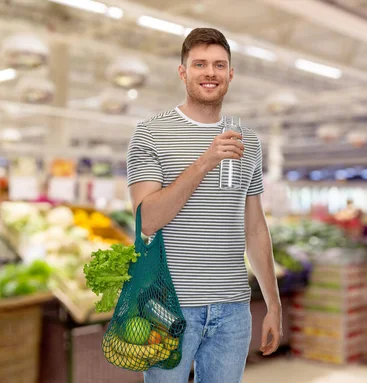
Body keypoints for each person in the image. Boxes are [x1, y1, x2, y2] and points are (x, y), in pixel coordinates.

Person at [126, 28, 282, 382]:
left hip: (233, 311)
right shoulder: (151, 133)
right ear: (183, 72)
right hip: (167, 306)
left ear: (230, 74)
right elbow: (146, 220)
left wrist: (273, 305)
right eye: (199, 64)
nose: (210, 72)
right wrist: (204, 161)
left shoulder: (249, 142)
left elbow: (255, 228)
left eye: (219, 65)